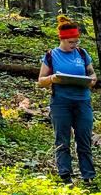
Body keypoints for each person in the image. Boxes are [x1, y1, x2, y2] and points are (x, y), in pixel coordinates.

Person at [37, 15, 97, 185]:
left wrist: (92, 79)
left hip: (82, 101)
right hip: (61, 103)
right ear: (62, 40)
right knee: (62, 139)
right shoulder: (51, 55)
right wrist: (52, 78)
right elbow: (41, 80)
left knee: (84, 138)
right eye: (71, 42)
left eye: (76, 42)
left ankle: (88, 176)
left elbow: (91, 73)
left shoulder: (82, 53)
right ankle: (65, 175)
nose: (74, 45)